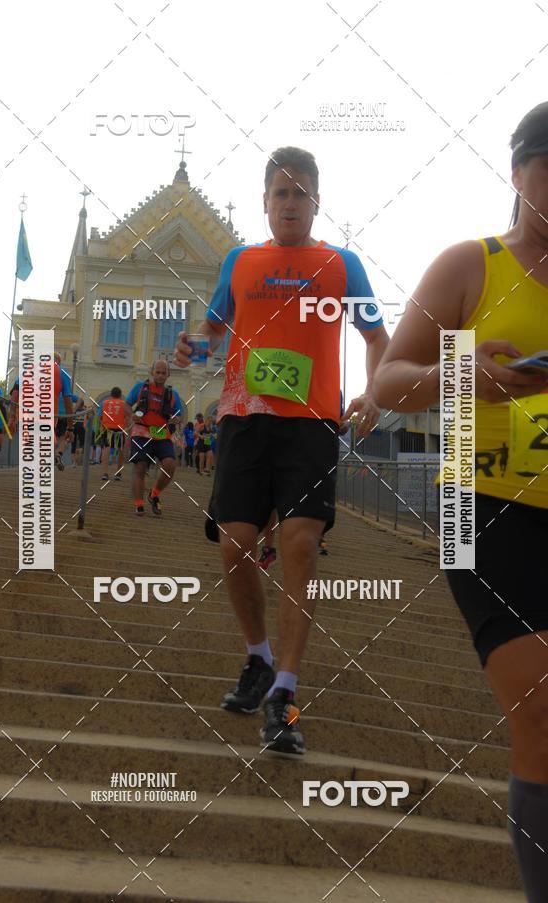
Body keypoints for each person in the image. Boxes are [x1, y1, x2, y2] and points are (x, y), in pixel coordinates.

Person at [372, 103, 548, 901]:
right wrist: (461, 372)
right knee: (542, 717)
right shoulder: (470, 264)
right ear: (517, 172)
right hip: (481, 507)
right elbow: (388, 384)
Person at [175, 146, 388, 754]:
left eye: (301, 193)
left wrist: (374, 393)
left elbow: (377, 336)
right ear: (265, 203)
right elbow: (212, 332)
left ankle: (284, 696)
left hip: (311, 424)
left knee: (298, 543)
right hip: (243, 419)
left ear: (316, 202)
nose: (290, 203)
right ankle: (259, 658)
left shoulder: (342, 264)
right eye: (280, 193)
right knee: (237, 545)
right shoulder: (240, 261)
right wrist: (192, 348)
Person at [127, 360, 182, 516]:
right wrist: (131, 415)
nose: (160, 375)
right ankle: (138, 504)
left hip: (161, 433)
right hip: (141, 431)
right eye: (157, 372)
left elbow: (179, 415)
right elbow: (127, 404)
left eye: (163, 373)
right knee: (140, 466)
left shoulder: (172, 394)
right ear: (152, 372)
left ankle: (154, 493)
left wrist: (176, 419)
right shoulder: (140, 387)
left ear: (168, 374)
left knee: (170, 465)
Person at [97, 387, 131, 482]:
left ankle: (105, 473)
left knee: (106, 449)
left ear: (111, 395)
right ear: (120, 395)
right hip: (120, 429)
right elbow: (128, 418)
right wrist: (128, 430)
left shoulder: (104, 403)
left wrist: (102, 424)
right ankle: (118, 473)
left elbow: (99, 416)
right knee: (120, 450)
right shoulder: (124, 404)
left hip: (107, 429)